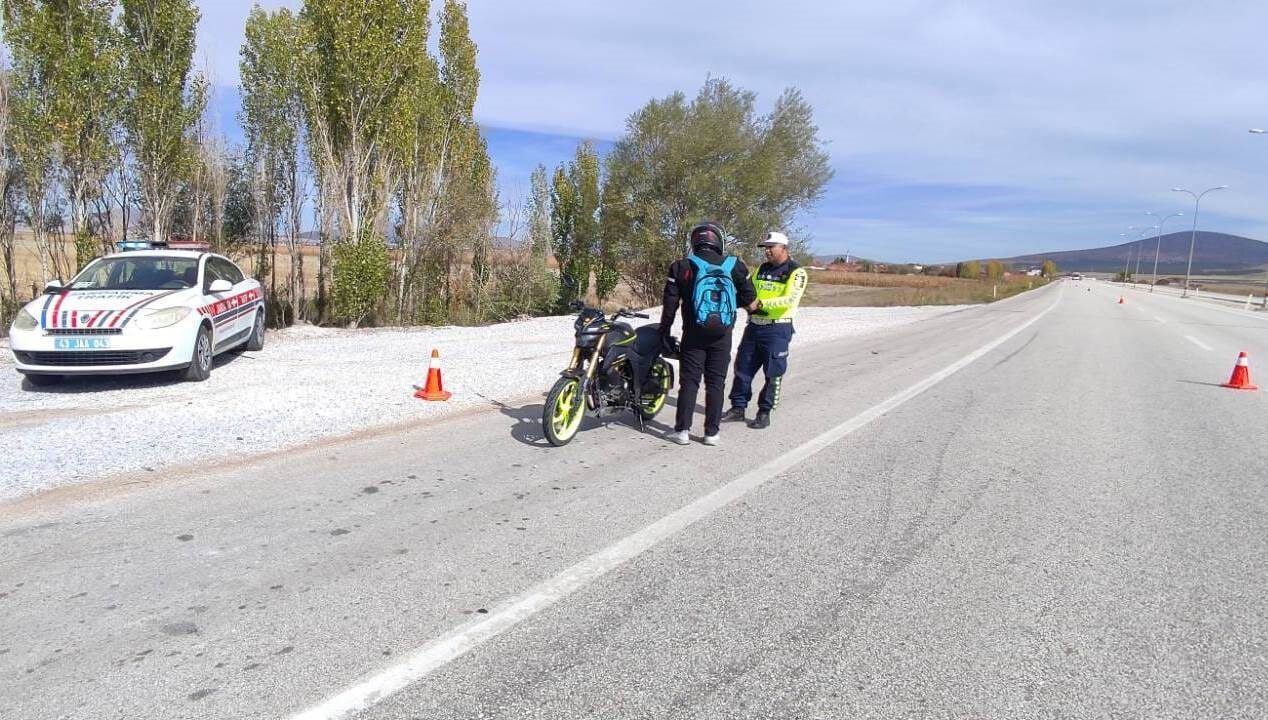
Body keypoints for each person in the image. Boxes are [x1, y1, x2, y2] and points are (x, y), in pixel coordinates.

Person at [659, 221, 758, 446]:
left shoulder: (681, 266)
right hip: (722, 335)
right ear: (718, 241)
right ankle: (711, 433)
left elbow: (670, 305)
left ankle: (682, 431)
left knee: (689, 382)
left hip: (693, 334)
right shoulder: (735, 265)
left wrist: (664, 332)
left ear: (694, 241)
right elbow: (749, 300)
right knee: (716, 383)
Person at [723, 231, 808, 429]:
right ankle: (738, 407)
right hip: (754, 326)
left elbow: (789, 299)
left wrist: (759, 304)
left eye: (771, 247)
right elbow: (749, 291)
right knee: (743, 368)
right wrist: (740, 302)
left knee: (774, 372)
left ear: (784, 248)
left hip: (777, 328)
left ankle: (765, 411)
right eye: (765, 248)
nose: (767, 251)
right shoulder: (761, 269)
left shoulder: (797, 272)